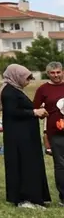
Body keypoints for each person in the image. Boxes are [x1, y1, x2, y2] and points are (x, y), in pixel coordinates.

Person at [0, 64, 50, 208]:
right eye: (26, 78)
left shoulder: (15, 90)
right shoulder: (9, 92)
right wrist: (34, 112)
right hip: (19, 137)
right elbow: (12, 112)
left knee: (31, 164)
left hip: (26, 135)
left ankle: (35, 197)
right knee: (24, 165)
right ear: (16, 76)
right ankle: (25, 198)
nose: (28, 81)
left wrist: (37, 111)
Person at [31, 61, 64, 205]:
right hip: (55, 132)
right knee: (61, 164)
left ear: (63, 72)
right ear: (48, 74)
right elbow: (34, 108)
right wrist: (42, 113)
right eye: (52, 73)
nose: (56, 75)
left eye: (58, 72)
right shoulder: (43, 89)